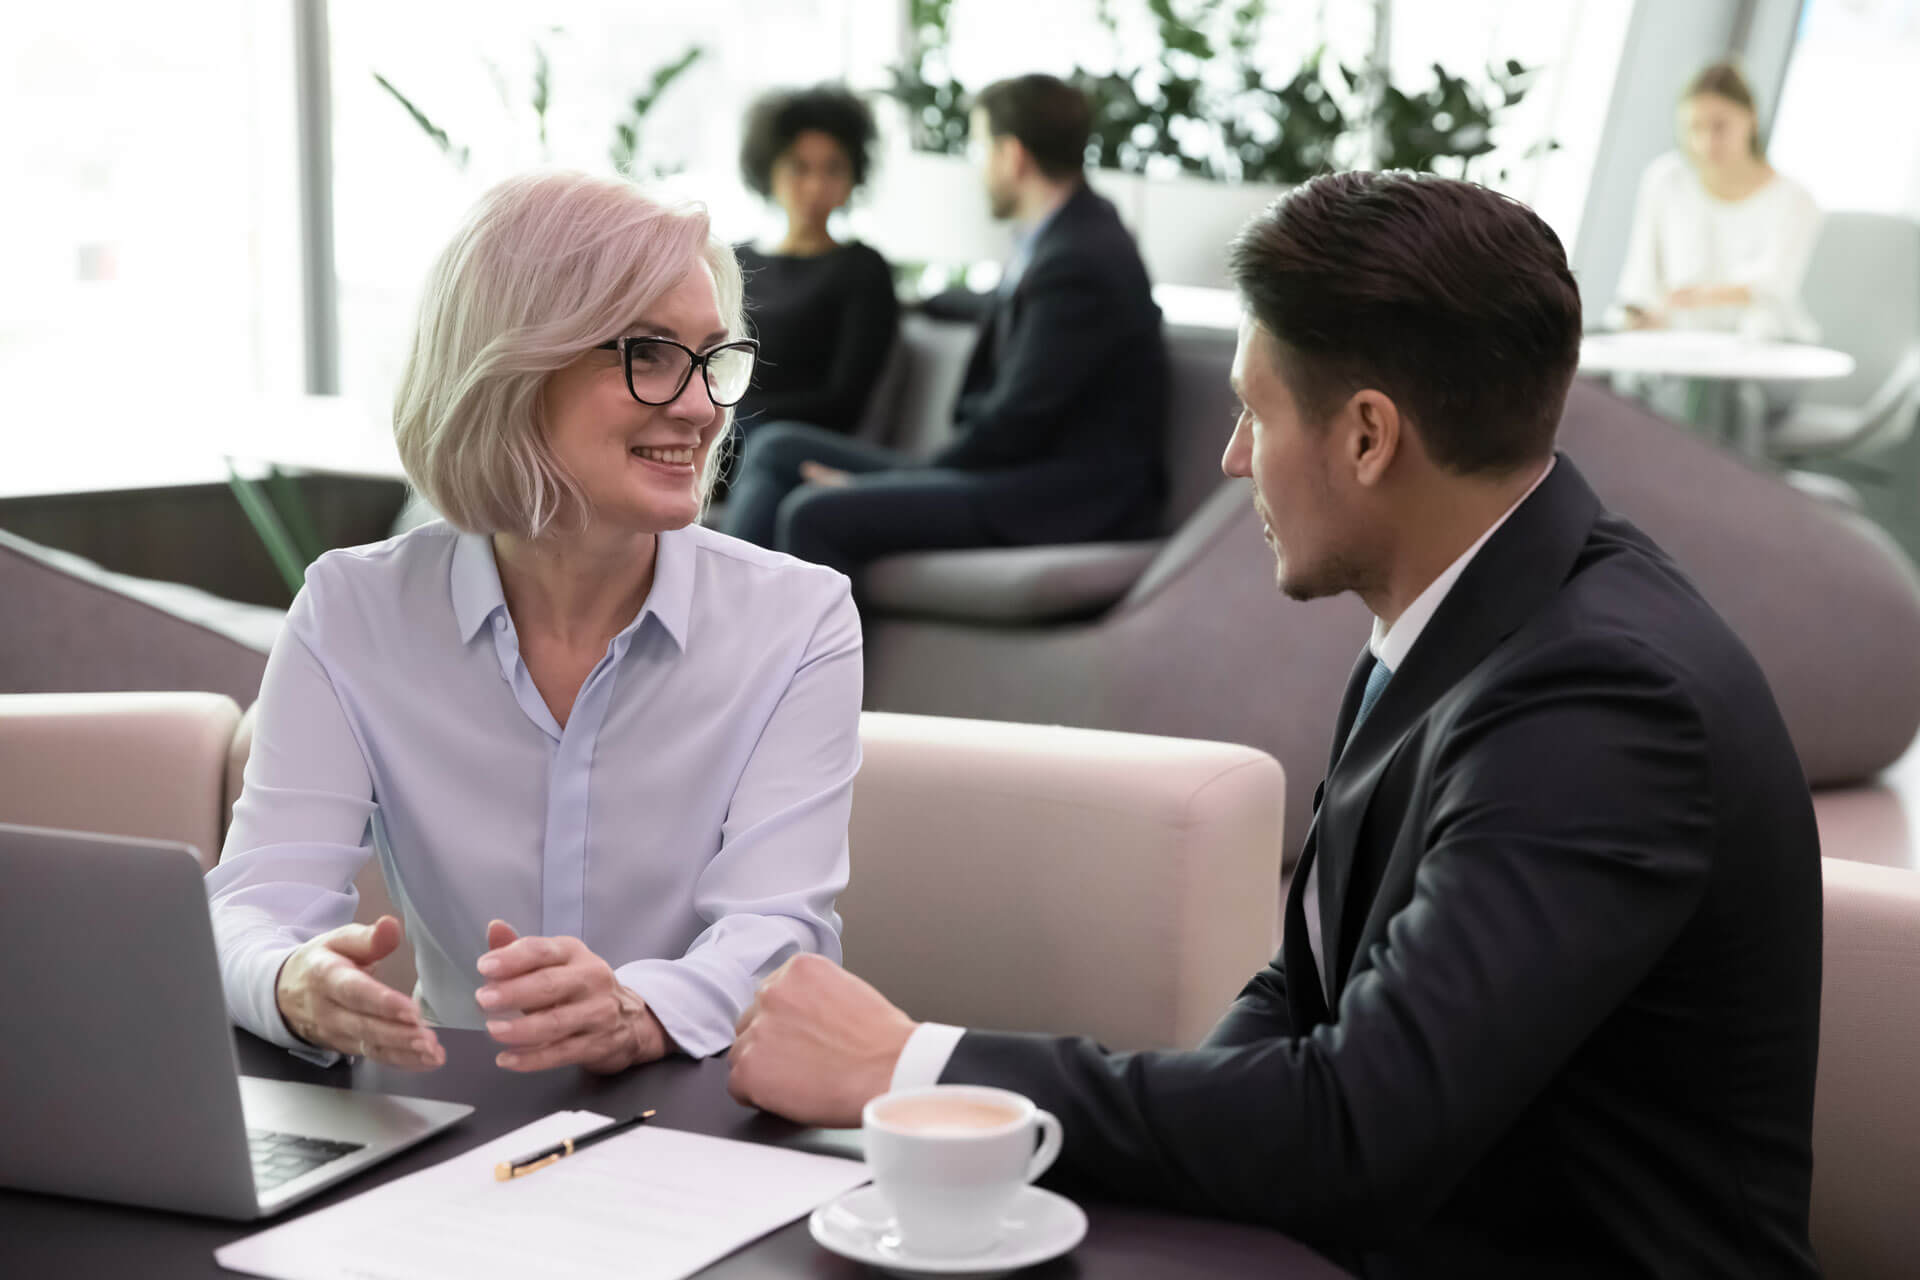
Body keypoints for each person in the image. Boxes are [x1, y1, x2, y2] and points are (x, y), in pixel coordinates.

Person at [727, 172, 1823, 1277]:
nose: (1233, 454)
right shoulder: (1466, 613)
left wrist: (912, 1065)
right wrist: (1166, 1182)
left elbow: (1357, 1128)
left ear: (1366, 437)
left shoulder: (1599, 701)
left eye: (1256, 407)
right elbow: (1299, 990)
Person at [206, 172, 862, 1075]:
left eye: (712, 356)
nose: (703, 406)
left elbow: (778, 932)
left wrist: (638, 1009)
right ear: (516, 366)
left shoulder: (800, 620)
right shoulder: (351, 612)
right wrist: (292, 983)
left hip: (696, 1125)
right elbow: (251, 904)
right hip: (452, 1131)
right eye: (651, 353)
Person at [721, 73, 1167, 575]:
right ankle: (724, 638)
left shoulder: (1077, 259)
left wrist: (898, 482)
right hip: (1029, 476)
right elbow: (1023, 308)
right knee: (778, 447)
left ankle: (763, 651)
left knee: (814, 511)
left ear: (1012, 156)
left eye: (980, 151)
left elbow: (1015, 422)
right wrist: (940, 300)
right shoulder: (1069, 240)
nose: (978, 171)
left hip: (1061, 496)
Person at [730, 85, 899, 446]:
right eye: (799, 168)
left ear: (854, 177)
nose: (815, 185)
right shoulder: (735, 262)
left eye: (833, 169)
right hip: (719, 427)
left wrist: (732, 414)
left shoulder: (861, 268)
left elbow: (843, 404)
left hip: (789, 444)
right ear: (769, 171)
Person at [1611, 58, 1822, 341]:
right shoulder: (1665, 179)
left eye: (1720, 126)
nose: (1706, 142)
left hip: (1763, 349)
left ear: (1752, 117)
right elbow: (1641, 279)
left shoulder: (1796, 200)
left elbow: (1774, 289)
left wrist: (1698, 297)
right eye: (1694, 128)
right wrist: (1639, 314)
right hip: (1672, 348)